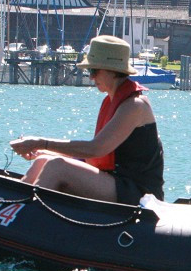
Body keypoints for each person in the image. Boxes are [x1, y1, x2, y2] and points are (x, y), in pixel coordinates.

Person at [10, 35, 164, 204]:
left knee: (57, 167)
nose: (91, 77)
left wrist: (40, 143)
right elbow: (97, 157)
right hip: (115, 181)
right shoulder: (114, 100)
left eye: (94, 71)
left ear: (113, 71)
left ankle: (25, 214)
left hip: (139, 192)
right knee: (43, 160)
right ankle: (13, 208)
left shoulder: (135, 105)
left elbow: (95, 149)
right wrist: (45, 151)